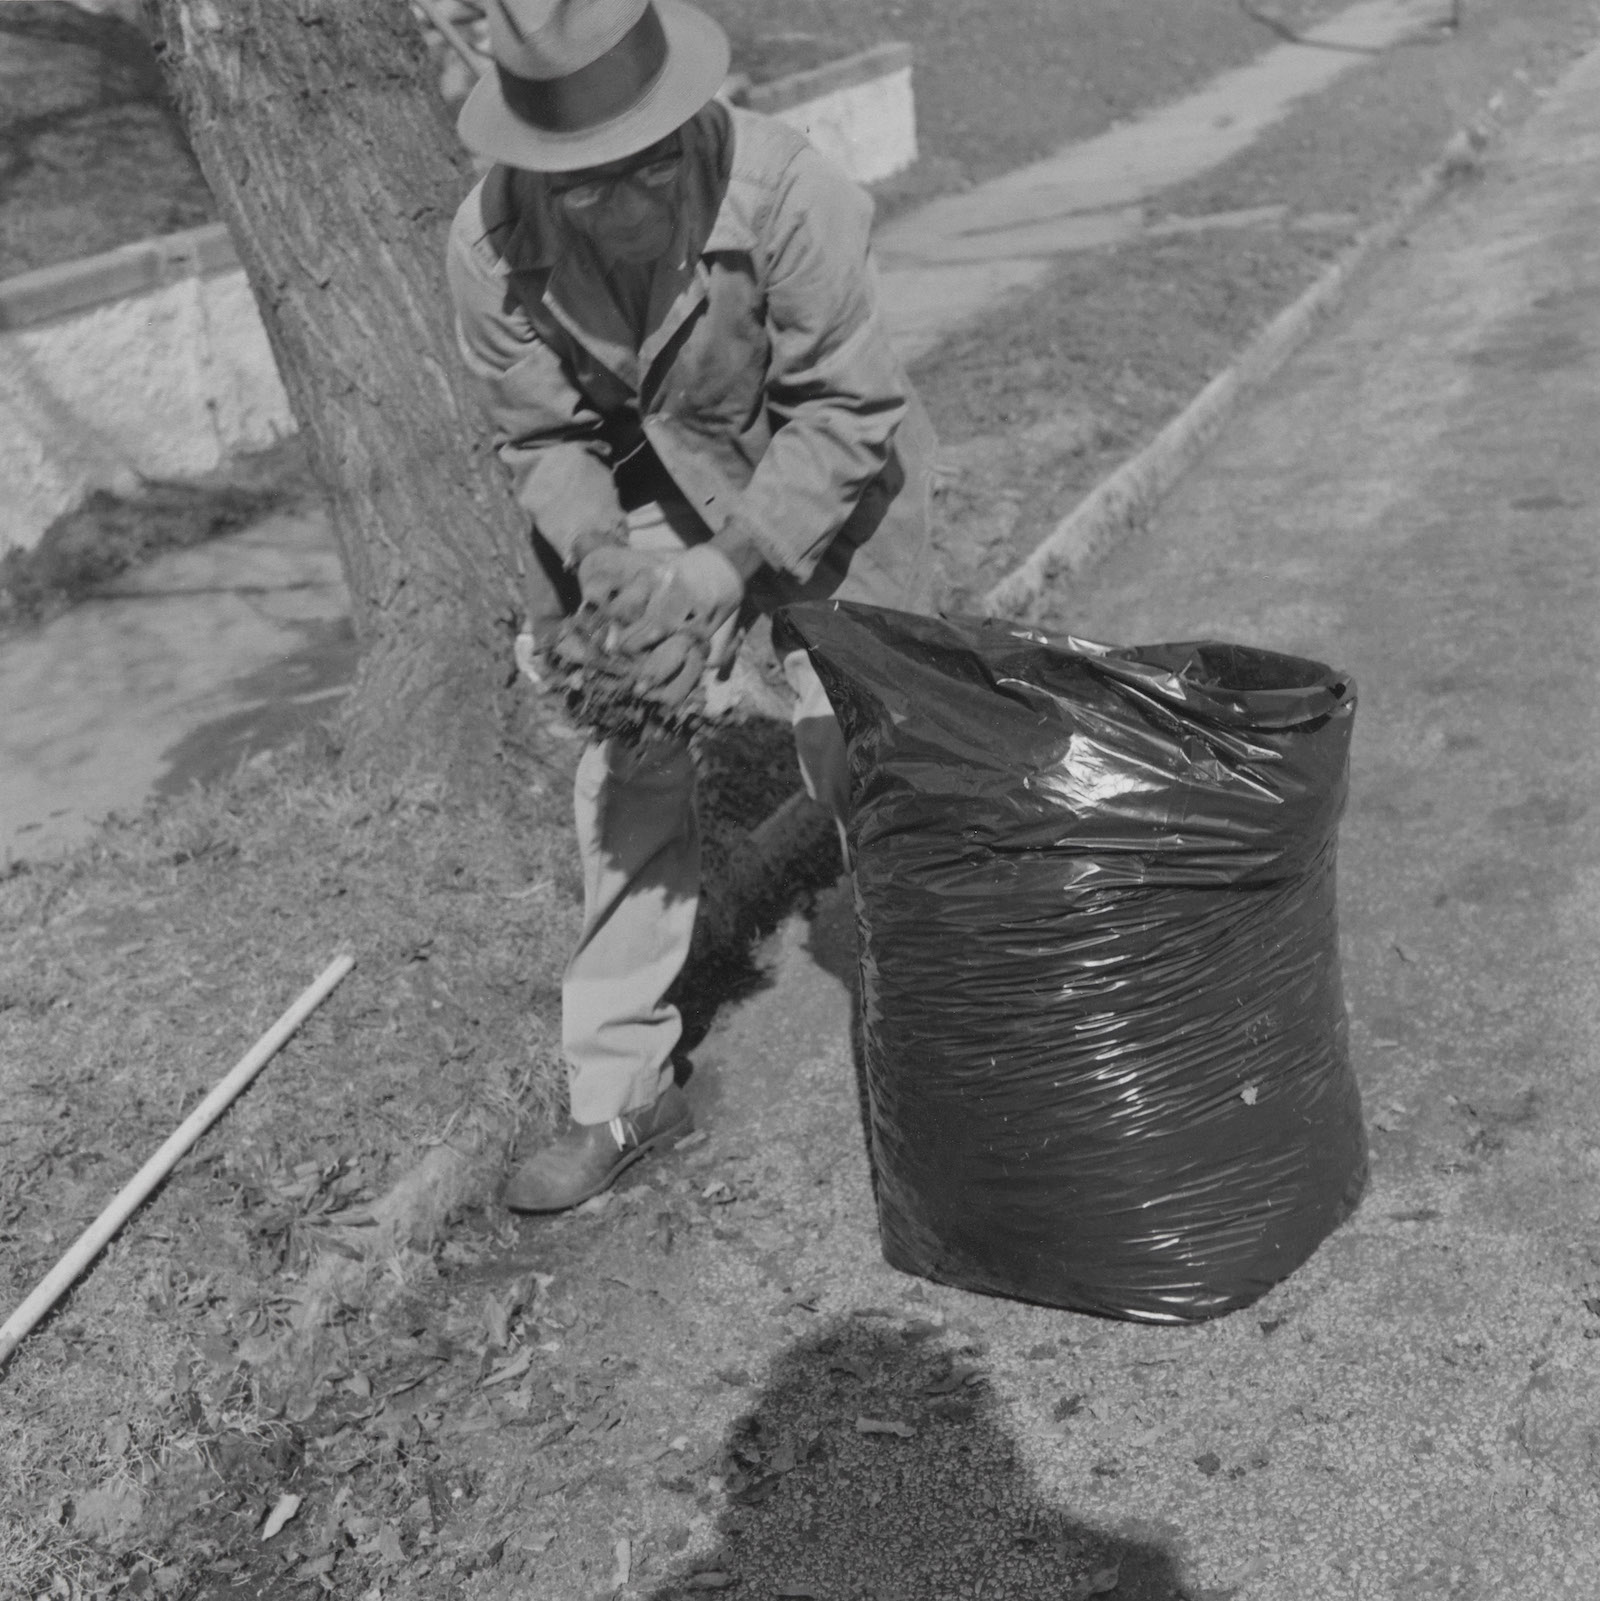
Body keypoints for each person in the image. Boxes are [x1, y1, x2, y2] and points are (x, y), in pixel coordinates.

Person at [447, 0, 936, 1212]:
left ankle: (942, 1006)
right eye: (576, 183)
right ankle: (621, 1092)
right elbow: (545, 434)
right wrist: (606, 562)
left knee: (871, 734)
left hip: (816, 463)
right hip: (644, 485)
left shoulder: (788, 192)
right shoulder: (487, 242)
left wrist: (730, 571)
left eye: (637, 170)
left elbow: (849, 408)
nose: (610, 204)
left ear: (687, 126)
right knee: (630, 763)